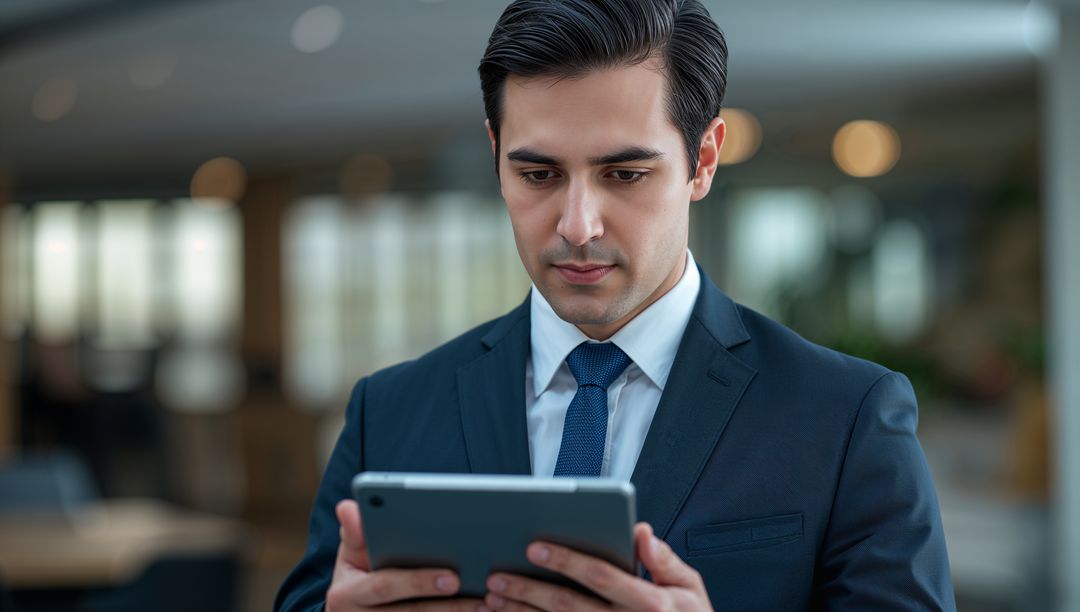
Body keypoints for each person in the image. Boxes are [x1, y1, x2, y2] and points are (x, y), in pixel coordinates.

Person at [276, 0, 956, 610]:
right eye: (538, 174)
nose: (578, 225)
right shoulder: (389, 412)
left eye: (625, 174)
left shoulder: (843, 417)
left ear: (703, 161)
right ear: (495, 156)